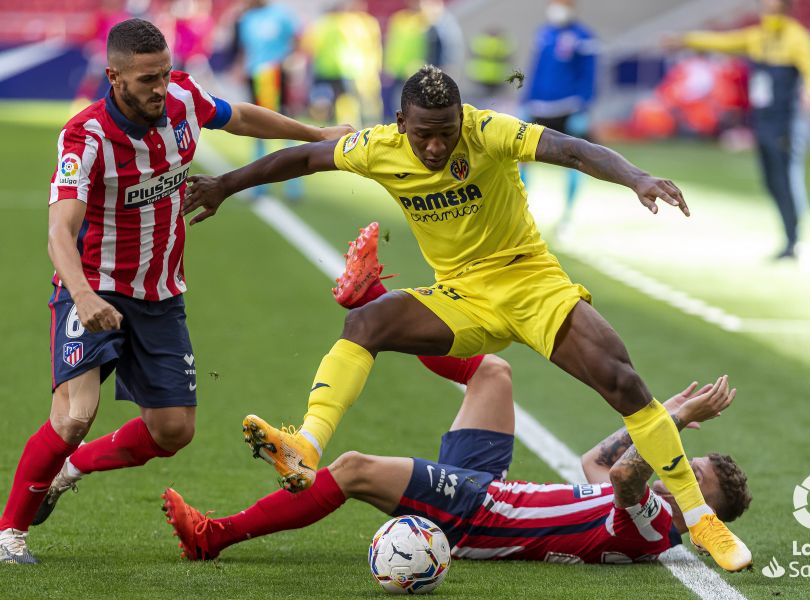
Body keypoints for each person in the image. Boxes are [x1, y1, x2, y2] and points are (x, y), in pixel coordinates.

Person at [183, 64, 751, 572]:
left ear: (462, 119)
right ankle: (306, 444)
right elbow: (303, 158)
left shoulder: (487, 131)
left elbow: (571, 149)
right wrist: (225, 186)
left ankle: (700, 517)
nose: (435, 147)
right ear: (401, 121)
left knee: (623, 381)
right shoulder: (378, 146)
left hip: (531, 283)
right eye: (424, 134)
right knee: (369, 324)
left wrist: (635, 177)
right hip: (462, 295)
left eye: (446, 132)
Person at [0, 18, 352, 565]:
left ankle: (71, 469)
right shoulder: (84, 138)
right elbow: (58, 233)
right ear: (114, 76)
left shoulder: (185, 97)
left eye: (164, 74)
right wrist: (85, 296)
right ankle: (8, 535)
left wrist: (315, 134)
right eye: (147, 80)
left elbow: (241, 118)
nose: (160, 88)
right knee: (73, 415)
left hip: (161, 294)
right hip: (91, 286)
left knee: (173, 430)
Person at [162, 240, 749, 564]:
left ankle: (213, 536)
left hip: (480, 517)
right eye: (689, 468)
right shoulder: (645, 509)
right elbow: (600, 461)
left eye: (698, 483)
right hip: (490, 485)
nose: (683, 479)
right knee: (492, 372)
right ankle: (378, 307)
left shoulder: (656, 530)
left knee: (353, 469)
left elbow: (623, 476)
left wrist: (670, 420)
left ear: (706, 519)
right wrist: (659, 420)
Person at [665, 0, 810, 259]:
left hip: (785, 120)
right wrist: (686, 40)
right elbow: (723, 42)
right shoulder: (758, 36)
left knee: (787, 179)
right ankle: (788, 238)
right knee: (772, 181)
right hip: (762, 121)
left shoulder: (796, 38)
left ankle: (794, 240)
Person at [523, 0, 599, 239]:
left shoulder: (584, 37)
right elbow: (536, 69)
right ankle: (520, 213)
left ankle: (567, 217)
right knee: (521, 159)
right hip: (539, 106)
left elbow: (589, 74)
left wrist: (583, 107)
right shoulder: (544, 33)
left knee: (577, 162)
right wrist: (526, 101)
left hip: (568, 107)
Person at [234, 0, 302, 200]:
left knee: (286, 126)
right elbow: (245, 49)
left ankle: (293, 183)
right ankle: (259, 183)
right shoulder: (246, 18)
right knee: (257, 128)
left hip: (276, 76)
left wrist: (290, 61)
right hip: (254, 77)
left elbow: (297, 40)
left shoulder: (281, 14)